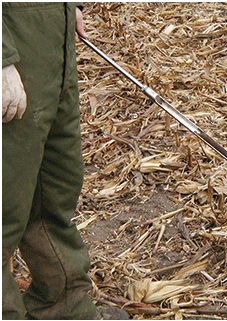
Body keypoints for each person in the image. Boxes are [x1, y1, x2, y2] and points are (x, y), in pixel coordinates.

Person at [2, 3, 128, 320]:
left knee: (54, 187)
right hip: (13, 41)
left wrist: (69, 5)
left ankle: (63, 307)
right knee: (4, 203)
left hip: (50, 39)